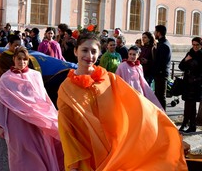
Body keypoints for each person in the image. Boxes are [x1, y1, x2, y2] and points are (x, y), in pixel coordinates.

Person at [57, 32, 187, 171]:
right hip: (85, 154)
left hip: (115, 153)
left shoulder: (110, 79)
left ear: (100, 52)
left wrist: (168, 129)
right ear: (76, 51)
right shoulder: (66, 88)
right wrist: (74, 164)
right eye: (84, 50)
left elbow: (139, 106)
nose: (89, 56)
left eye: (94, 51)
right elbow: (66, 128)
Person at [0, 47, 64, 171]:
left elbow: (44, 98)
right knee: (20, 150)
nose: (22, 62)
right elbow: (0, 102)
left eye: (25, 59)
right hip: (16, 121)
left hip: (37, 120)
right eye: (19, 59)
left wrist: (52, 115)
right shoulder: (5, 79)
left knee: (41, 147)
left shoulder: (35, 75)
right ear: (14, 59)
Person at [115, 45, 163, 109]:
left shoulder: (139, 66)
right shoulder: (122, 66)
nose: (132, 56)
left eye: (134, 54)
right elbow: (117, 79)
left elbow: (141, 80)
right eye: (130, 54)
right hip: (127, 92)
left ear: (138, 55)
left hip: (138, 92)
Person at [178, 37, 202, 133]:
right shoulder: (190, 53)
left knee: (191, 104)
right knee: (188, 104)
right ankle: (189, 124)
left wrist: (196, 79)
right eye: (194, 44)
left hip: (196, 84)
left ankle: (188, 124)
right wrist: (186, 60)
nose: (195, 47)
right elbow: (181, 66)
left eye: (197, 45)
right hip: (187, 83)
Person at [153, 25, 172, 110]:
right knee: (159, 95)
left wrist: (156, 71)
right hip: (160, 73)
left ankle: (163, 115)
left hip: (161, 74)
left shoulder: (164, 45)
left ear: (159, 33)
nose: (154, 33)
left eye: (155, 31)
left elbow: (161, 62)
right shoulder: (162, 43)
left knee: (160, 96)